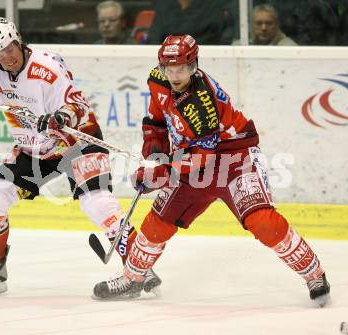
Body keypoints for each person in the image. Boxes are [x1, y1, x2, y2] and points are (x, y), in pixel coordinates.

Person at [92, 34, 331, 307]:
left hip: (234, 158)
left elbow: (201, 157)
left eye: (182, 69)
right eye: (169, 69)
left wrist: (162, 173)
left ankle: (314, 274)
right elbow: (156, 120)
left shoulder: (201, 103)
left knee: (262, 221)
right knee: (158, 222)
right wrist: (154, 152)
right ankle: (133, 277)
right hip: (192, 157)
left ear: (194, 65)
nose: (175, 75)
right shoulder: (157, 79)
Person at [0, 17, 160, 296]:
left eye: (10, 48)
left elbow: (77, 105)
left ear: (18, 39)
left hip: (76, 141)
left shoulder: (47, 68)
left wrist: (61, 116)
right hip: (34, 149)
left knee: (97, 203)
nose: (6, 57)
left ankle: (139, 271)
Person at [147, 0, 229, 45]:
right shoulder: (164, 4)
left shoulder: (213, 4)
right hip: (166, 57)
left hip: (201, 57)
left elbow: (213, 36)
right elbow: (154, 35)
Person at [232, 4, 297, 45]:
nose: (264, 28)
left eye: (269, 23)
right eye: (259, 23)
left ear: (277, 25)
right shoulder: (240, 46)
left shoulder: (289, 48)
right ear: (251, 25)